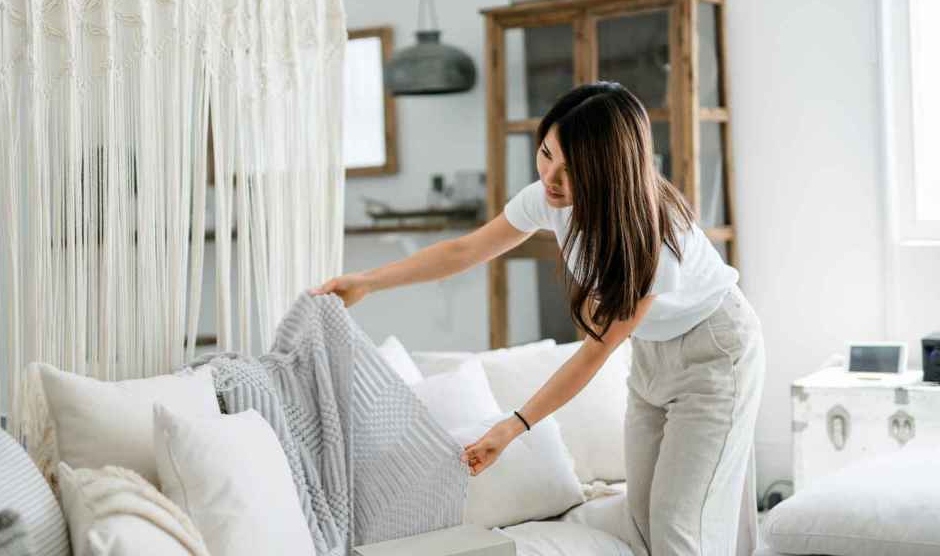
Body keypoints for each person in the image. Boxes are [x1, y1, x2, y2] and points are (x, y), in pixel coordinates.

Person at [313, 82, 764, 556]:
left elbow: (596, 352)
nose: (552, 177)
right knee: (645, 522)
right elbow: (465, 250)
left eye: (573, 170)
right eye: (547, 153)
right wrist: (368, 281)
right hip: (653, 356)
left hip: (714, 354)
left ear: (610, 173)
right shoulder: (550, 198)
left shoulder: (652, 240)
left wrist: (512, 428)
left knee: (677, 528)